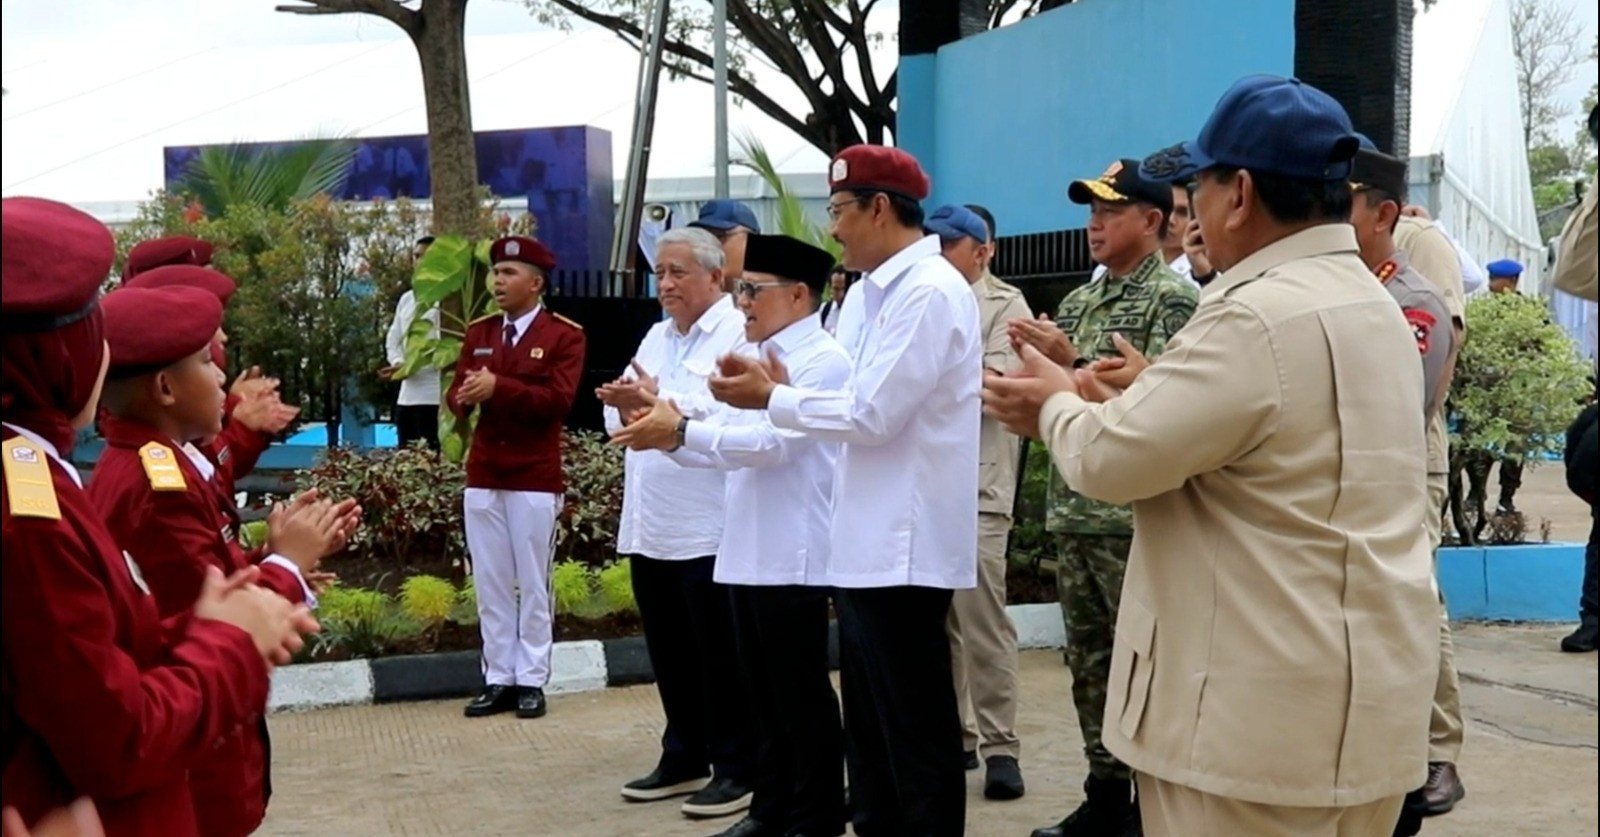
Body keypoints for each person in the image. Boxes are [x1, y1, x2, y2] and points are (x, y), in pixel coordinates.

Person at [983, 75, 1438, 835]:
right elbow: (1276, 442)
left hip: (1248, 724)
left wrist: (1054, 403)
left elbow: (1112, 461)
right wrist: (1129, 392)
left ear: (1242, 193)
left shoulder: (1252, 311)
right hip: (1366, 705)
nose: (1189, 213)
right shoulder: (1373, 305)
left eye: (1199, 187)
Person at [1, 196, 315, 837]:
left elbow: (95, 650)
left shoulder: (37, 471)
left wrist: (207, 622)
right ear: (59, 352)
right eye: (88, 325)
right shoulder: (26, 502)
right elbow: (116, 734)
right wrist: (236, 632)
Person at [706, 144, 980, 837]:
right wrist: (777, 394)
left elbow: (870, 412)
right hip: (862, 545)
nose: (832, 229)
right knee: (875, 739)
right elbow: (849, 401)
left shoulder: (928, 292)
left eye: (837, 211)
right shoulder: (864, 297)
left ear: (879, 208)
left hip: (905, 544)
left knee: (913, 735)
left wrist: (773, 398)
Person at [89, 282, 357, 837]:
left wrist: (282, 554)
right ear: (165, 387)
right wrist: (283, 567)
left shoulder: (158, 462)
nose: (221, 378)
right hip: (192, 753)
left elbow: (206, 567)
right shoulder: (155, 482)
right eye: (205, 364)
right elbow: (209, 623)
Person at [611, 234, 851, 837]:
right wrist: (670, 430)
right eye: (741, 289)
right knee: (763, 694)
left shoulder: (823, 359)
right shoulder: (753, 353)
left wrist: (681, 432)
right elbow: (715, 436)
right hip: (744, 547)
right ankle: (769, 809)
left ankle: (815, 814)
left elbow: (772, 445)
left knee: (799, 694)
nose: (742, 302)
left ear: (798, 295)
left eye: (753, 290)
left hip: (793, 550)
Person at [1009, 158, 1198, 837]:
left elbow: (1173, 406)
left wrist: (1070, 365)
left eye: (1109, 211)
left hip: (1134, 518)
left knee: (1149, 665)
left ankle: (1157, 802)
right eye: (1090, 210)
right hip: (1076, 509)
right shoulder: (1083, 301)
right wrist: (1049, 365)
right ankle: (1106, 795)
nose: (1094, 223)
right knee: (1088, 661)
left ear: (1151, 221)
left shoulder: (1174, 302)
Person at [599, 227, 757, 820]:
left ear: (715, 277)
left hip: (710, 522)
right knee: (669, 648)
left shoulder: (738, 332)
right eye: (660, 273)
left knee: (719, 652)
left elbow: (732, 411)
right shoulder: (656, 335)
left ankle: (737, 765)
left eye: (677, 273)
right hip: (654, 519)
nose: (664, 284)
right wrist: (623, 397)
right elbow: (627, 397)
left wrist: (666, 405)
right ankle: (684, 752)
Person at [1353, 139, 1473, 818]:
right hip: (1360, 461)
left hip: (1407, 455)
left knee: (1417, 598)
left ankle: (1438, 749)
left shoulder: (1418, 248)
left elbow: (1432, 361)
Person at [448, 236, 586, 722]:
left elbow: (557, 402)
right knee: (489, 580)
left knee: (532, 579)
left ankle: (531, 678)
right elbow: (456, 394)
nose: (498, 282)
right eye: (496, 273)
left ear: (536, 282)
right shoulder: (481, 330)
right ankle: (498, 677)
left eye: (509, 274)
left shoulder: (564, 335)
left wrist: (498, 387)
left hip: (533, 475)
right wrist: (464, 395)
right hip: (485, 470)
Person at [925, 203, 1030, 801]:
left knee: (983, 622)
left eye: (951, 245)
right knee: (940, 628)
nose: (940, 255)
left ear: (981, 251)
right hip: (930, 487)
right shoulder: (924, 297)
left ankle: (1001, 747)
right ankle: (958, 736)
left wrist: (919, 377)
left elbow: (989, 387)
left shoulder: (1004, 304)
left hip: (981, 487)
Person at [381, 235, 443, 450]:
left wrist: (414, 365)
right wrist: (399, 363)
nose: (420, 262)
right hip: (407, 398)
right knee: (406, 463)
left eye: (427, 257)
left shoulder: (450, 299)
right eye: (416, 256)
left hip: (435, 398)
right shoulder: (408, 298)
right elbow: (393, 338)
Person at [690, 199, 761, 290]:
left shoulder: (775, 294)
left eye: (719, 237)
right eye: (703, 240)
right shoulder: (693, 299)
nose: (709, 247)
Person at [819, 266, 853, 334]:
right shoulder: (824, 310)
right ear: (830, 288)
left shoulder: (856, 312)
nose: (841, 294)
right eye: (836, 289)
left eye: (844, 288)